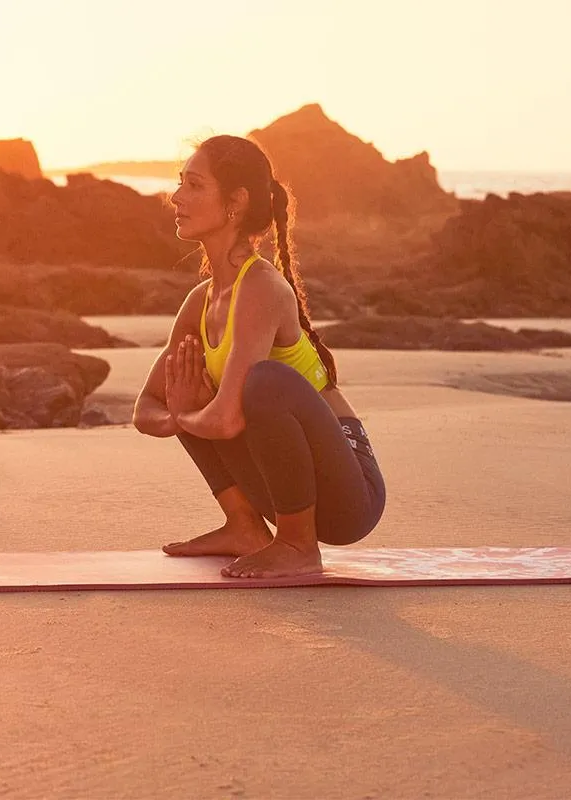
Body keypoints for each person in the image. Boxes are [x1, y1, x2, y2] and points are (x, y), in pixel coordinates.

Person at [132, 135, 386, 578]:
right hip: (280, 484)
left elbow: (226, 421)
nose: (177, 197)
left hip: (348, 495)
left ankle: (297, 545)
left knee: (264, 382)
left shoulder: (262, 289)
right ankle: (245, 526)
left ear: (236, 202)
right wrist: (184, 411)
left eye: (194, 186)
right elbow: (145, 409)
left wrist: (186, 414)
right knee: (187, 383)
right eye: (180, 184)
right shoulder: (200, 301)